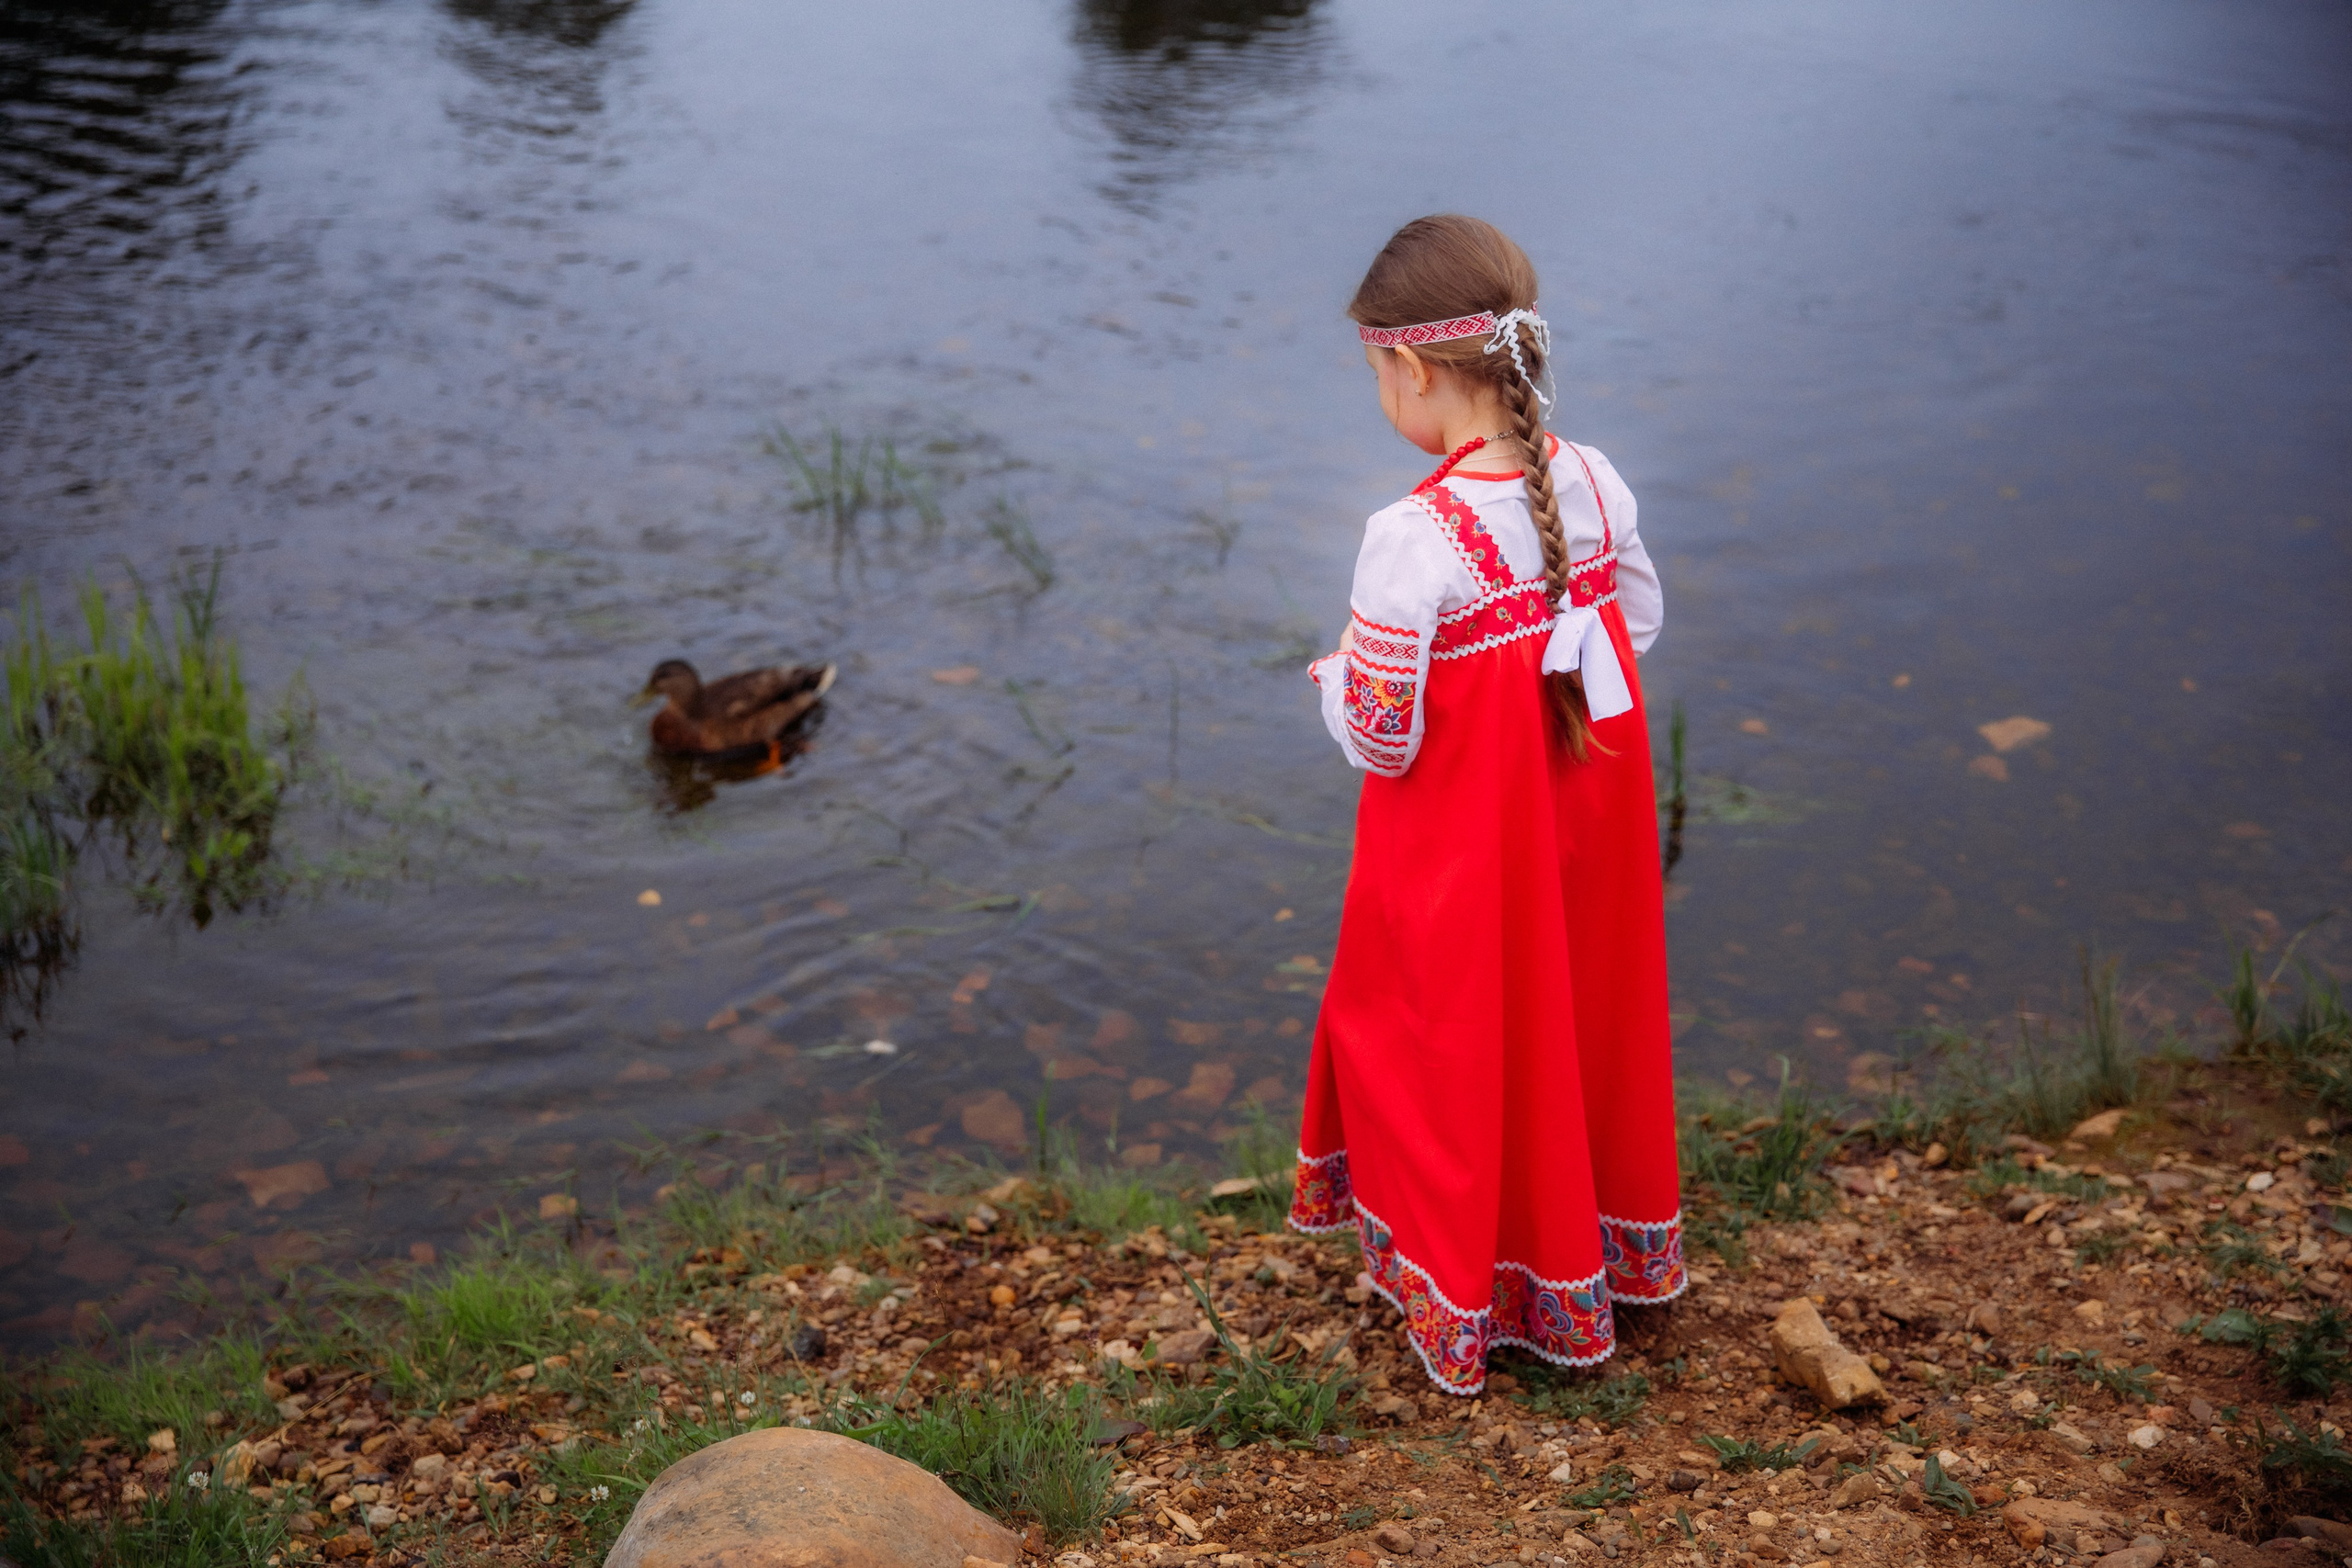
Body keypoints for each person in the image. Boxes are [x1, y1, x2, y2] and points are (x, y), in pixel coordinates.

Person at [1289, 215, 1683, 1395]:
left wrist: (1328, 676)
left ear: (1410, 368)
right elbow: (1636, 626)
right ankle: (1589, 1259)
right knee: (1576, 1019)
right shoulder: (1595, 483)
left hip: (1460, 854)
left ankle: (1470, 1286)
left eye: (1373, 372)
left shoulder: (1411, 541)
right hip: (1582, 827)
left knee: (1434, 1038)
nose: (1378, 392)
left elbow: (1380, 731)